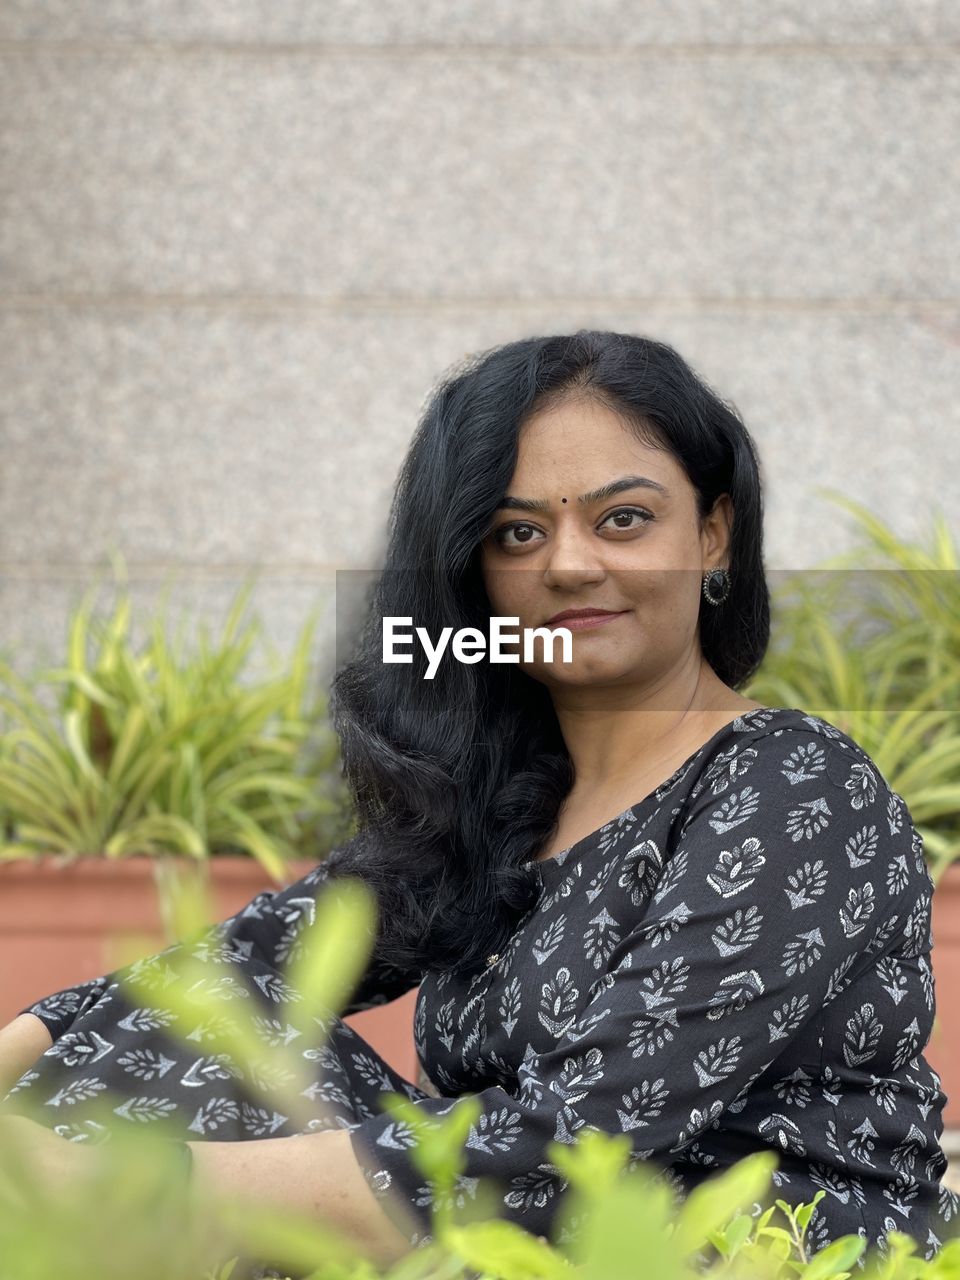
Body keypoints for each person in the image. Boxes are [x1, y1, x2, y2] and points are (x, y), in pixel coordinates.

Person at [1, 330, 957, 1271]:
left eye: (624, 518)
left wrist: (137, 1179)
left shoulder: (796, 787)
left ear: (713, 533)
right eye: (518, 532)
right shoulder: (497, 796)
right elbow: (236, 967)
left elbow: (574, 1152)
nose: (570, 564)